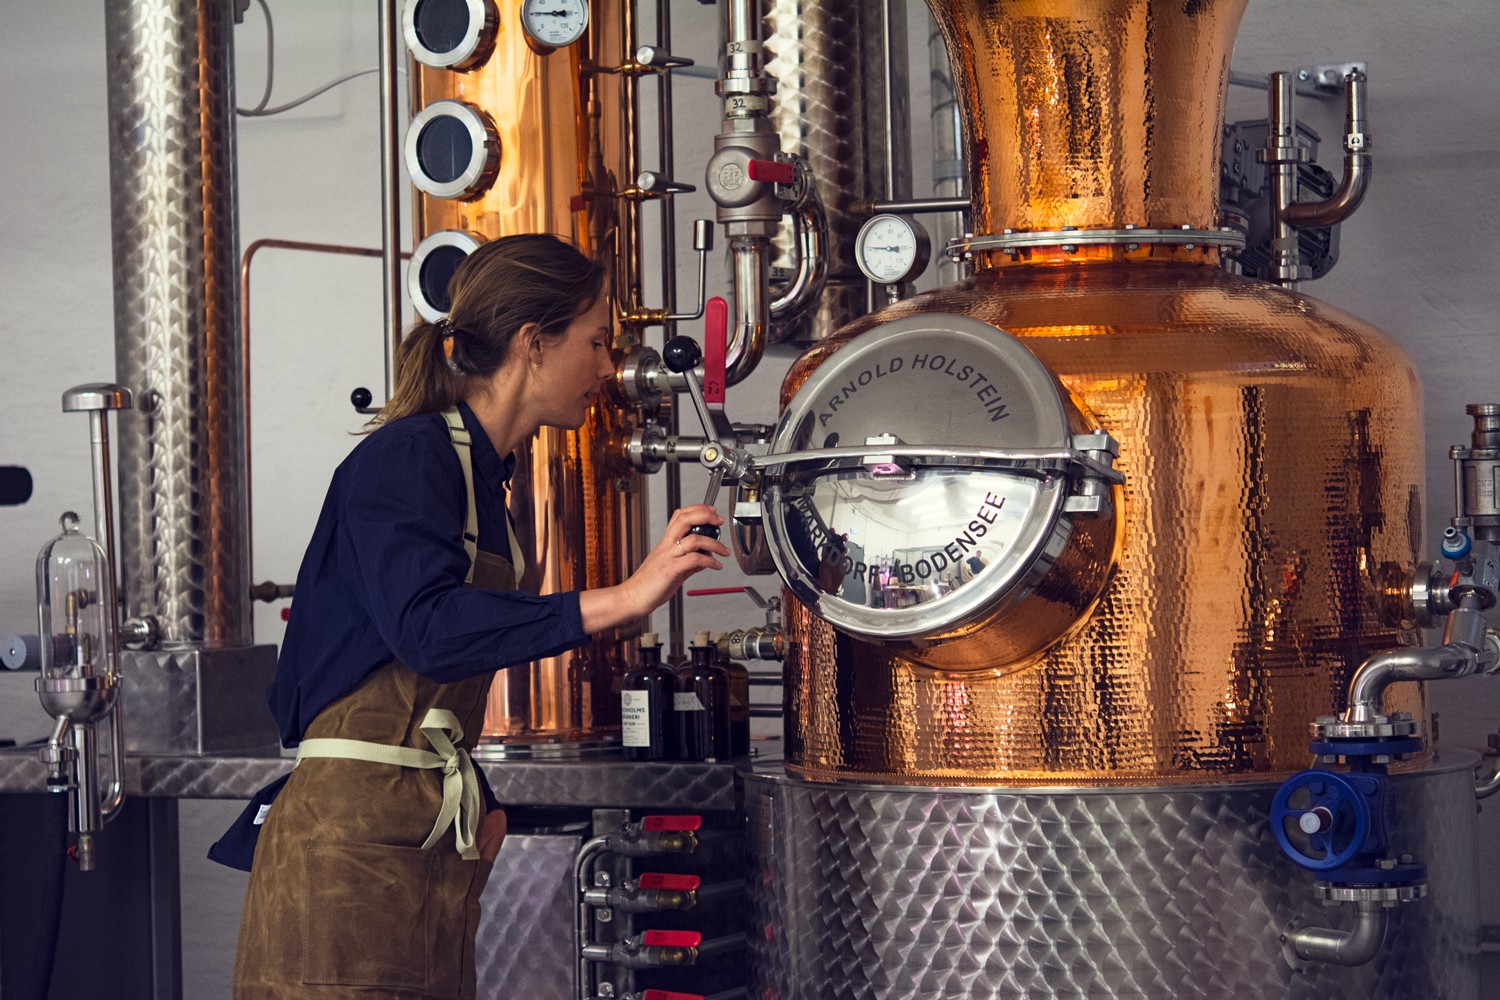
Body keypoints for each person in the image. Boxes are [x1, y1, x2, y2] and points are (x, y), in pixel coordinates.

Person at [215, 234, 728, 999]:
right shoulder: (406, 459)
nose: (606, 369)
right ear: (533, 343)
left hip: (425, 835)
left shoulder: (486, 479)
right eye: (595, 343)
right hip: (349, 843)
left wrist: (476, 797)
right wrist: (623, 597)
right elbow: (427, 628)